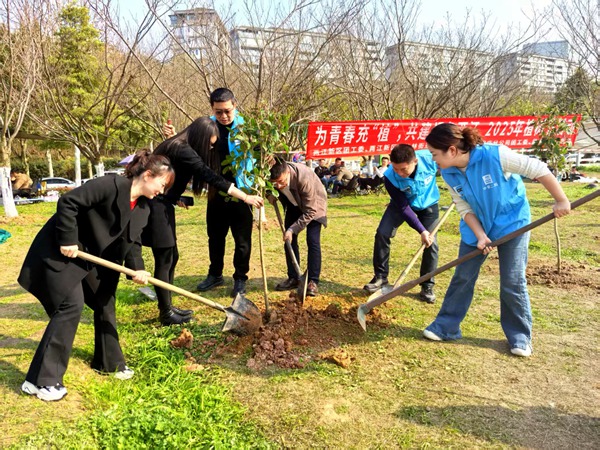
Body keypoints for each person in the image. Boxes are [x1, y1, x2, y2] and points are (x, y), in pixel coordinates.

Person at [17, 151, 174, 401]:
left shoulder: (143, 208)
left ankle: (109, 363)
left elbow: (131, 243)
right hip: (61, 250)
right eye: (162, 184)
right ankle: (42, 381)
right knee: (71, 305)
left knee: (104, 299)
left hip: (87, 258)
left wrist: (137, 269)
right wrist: (67, 239)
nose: (162, 191)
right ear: (147, 175)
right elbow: (68, 203)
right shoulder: (109, 185)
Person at [423, 123, 571, 357]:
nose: (433, 160)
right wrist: (481, 235)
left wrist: (561, 200)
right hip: (477, 227)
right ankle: (446, 327)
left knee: (512, 281)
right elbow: (463, 206)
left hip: (512, 223)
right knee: (462, 276)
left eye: (434, 154)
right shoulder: (449, 172)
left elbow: (538, 168)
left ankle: (520, 337)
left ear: (451, 150)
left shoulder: (495, 155)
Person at [134, 117, 263, 326]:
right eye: (210, 143)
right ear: (201, 138)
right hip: (156, 206)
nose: (211, 147)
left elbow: (170, 178)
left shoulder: (176, 143)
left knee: (170, 257)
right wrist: (245, 197)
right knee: (165, 258)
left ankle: (167, 305)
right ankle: (165, 312)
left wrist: (175, 197)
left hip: (162, 203)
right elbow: (210, 176)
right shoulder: (183, 149)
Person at [195, 88, 257, 297]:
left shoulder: (247, 128)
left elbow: (260, 152)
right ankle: (215, 274)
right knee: (215, 237)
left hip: (243, 192)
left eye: (227, 111)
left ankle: (240, 278)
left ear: (235, 106)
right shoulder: (207, 127)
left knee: (242, 241)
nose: (223, 116)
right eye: (218, 111)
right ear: (212, 108)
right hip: (216, 192)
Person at [363, 145, 440, 303]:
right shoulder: (390, 177)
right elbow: (403, 207)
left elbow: (451, 169)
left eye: (403, 169)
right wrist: (421, 230)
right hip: (402, 205)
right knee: (382, 233)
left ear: (415, 161)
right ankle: (380, 278)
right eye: (396, 168)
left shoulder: (431, 158)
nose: (400, 173)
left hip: (428, 204)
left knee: (431, 244)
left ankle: (427, 285)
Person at [269, 159, 327, 297]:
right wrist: (269, 194)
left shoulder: (304, 178)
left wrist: (292, 229)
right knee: (289, 240)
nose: (279, 186)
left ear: (287, 172)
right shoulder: (273, 174)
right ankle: (294, 277)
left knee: (312, 240)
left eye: (281, 182)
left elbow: (311, 211)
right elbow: (267, 185)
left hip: (314, 205)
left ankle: (313, 281)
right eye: (275, 183)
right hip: (293, 204)